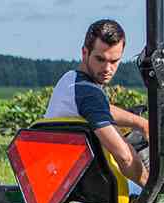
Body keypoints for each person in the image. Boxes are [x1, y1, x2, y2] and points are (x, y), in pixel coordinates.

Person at [45, 19, 149, 193]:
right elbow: (125, 157)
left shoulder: (70, 81)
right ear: (84, 52)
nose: (107, 68)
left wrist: (140, 123)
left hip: (60, 183)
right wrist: (152, 186)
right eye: (100, 59)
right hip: (93, 194)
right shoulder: (90, 93)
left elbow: (102, 108)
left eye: (114, 61)